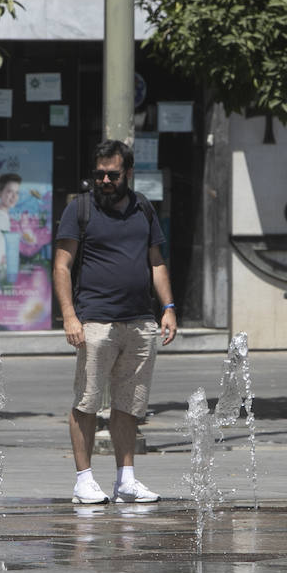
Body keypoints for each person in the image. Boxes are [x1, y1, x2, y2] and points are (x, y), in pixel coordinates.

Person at [53, 139, 176, 504]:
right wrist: (69, 316)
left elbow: (157, 262)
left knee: (129, 403)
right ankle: (84, 479)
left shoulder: (143, 209)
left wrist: (167, 306)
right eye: (99, 175)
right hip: (95, 321)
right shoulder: (80, 209)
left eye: (113, 175)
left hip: (139, 321)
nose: (105, 181)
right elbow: (62, 265)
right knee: (87, 400)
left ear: (128, 173)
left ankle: (126, 479)